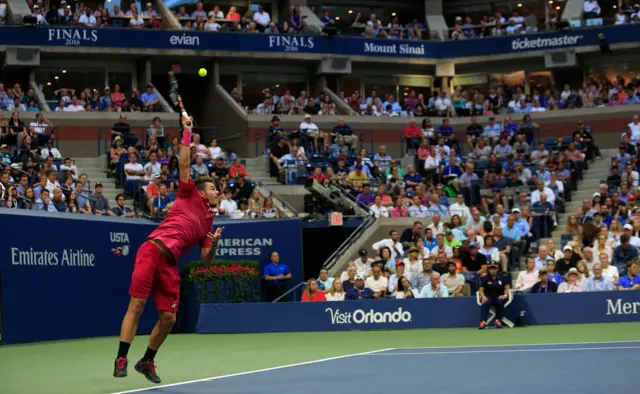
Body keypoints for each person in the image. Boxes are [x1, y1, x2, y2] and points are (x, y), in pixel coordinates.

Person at [114, 110, 223, 383]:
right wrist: (187, 131)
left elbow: (206, 260)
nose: (218, 190)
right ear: (201, 192)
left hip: (169, 263)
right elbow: (184, 162)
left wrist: (215, 244)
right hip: (152, 250)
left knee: (169, 319)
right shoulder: (188, 194)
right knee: (137, 305)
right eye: (213, 188)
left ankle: (147, 361)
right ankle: (122, 357)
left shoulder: (209, 223)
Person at [478, 262, 510, 329]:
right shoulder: (484, 278)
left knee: (500, 300)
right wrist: (483, 297)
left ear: (497, 269)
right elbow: (481, 290)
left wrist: (505, 295)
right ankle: (483, 322)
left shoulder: (502, 278)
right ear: (488, 270)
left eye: (494, 268)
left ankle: (498, 320)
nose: (492, 270)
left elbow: (507, 288)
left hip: (499, 296)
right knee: (485, 301)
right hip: (488, 296)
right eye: (490, 269)